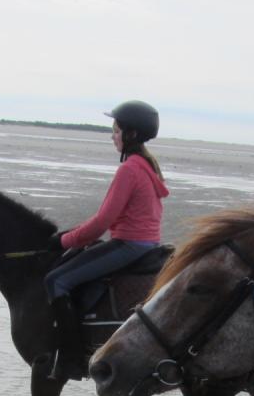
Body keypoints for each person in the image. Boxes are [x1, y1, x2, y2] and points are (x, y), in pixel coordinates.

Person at [43, 99, 169, 380]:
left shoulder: (130, 169)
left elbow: (102, 222)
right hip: (147, 243)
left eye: (115, 130)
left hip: (130, 245)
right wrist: (72, 235)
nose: (112, 135)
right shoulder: (147, 166)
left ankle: (70, 359)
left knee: (56, 280)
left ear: (131, 134)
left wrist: (63, 242)